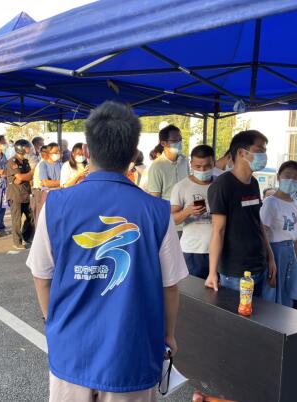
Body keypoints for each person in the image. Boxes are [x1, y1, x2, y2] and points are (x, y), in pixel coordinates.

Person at [27, 101, 188, 402]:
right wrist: (168, 336)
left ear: (87, 151)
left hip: (72, 350)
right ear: (133, 154)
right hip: (132, 354)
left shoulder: (55, 205)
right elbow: (170, 287)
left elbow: (41, 277)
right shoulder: (156, 212)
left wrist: (53, 322)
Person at [205, 130, 277, 297]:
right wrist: (212, 272)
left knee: (260, 313)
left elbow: (257, 222)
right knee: (237, 314)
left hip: (259, 266)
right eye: (259, 150)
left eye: (265, 151)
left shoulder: (253, 183)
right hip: (235, 272)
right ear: (241, 153)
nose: (264, 156)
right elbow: (218, 231)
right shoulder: (222, 185)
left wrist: (270, 256)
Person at [260, 161, 297, 307]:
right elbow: (263, 233)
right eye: (287, 175)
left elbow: (296, 239)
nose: (291, 180)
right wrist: (270, 260)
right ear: (278, 177)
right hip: (274, 253)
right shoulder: (270, 203)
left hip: (290, 255)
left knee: (286, 293)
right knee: (272, 293)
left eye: (296, 177)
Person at [170, 145, 215, 279]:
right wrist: (187, 211)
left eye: (207, 166)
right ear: (191, 164)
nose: (202, 170)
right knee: (194, 290)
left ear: (214, 163)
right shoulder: (181, 187)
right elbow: (171, 219)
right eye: (198, 166)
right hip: (193, 250)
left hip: (219, 250)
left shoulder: (221, 184)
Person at [148, 125, 189, 200]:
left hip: (186, 205)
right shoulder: (157, 166)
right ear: (163, 143)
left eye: (180, 139)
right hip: (167, 206)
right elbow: (155, 197)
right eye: (175, 140)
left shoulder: (184, 160)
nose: (179, 142)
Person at [6, 139, 34, 250]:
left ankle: (26, 236)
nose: (29, 149)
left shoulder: (25, 161)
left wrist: (25, 176)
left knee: (31, 217)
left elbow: (24, 178)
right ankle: (17, 242)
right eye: (27, 147)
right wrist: (29, 174)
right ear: (21, 148)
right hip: (16, 195)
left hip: (26, 193)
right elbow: (20, 178)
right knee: (17, 220)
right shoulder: (12, 162)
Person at [31, 145, 49, 229]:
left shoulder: (47, 164)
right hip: (39, 192)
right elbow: (44, 183)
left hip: (43, 191)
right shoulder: (42, 165)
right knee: (39, 216)